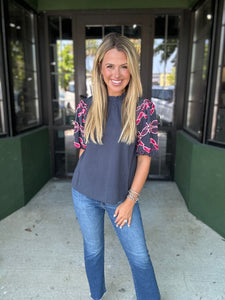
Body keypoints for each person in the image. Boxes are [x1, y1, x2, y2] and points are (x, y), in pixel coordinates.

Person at [72, 32, 160, 300]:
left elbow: (144, 158)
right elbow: (82, 151)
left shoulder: (143, 109)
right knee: (93, 250)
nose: (117, 74)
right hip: (84, 195)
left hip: (122, 198)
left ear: (132, 69)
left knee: (139, 257)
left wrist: (130, 200)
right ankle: (96, 295)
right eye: (110, 65)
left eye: (124, 66)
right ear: (100, 68)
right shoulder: (85, 108)